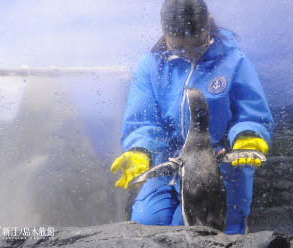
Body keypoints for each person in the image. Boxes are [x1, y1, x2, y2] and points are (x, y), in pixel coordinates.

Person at [111, 0, 274, 235]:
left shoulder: (233, 61)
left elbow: (251, 112)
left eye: (196, 44)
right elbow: (144, 119)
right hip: (169, 158)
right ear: (164, 33)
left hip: (219, 162)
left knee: (203, 228)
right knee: (146, 222)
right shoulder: (152, 66)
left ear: (207, 24)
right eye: (178, 47)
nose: (187, 53)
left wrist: (249, 135)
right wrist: (140, 149)